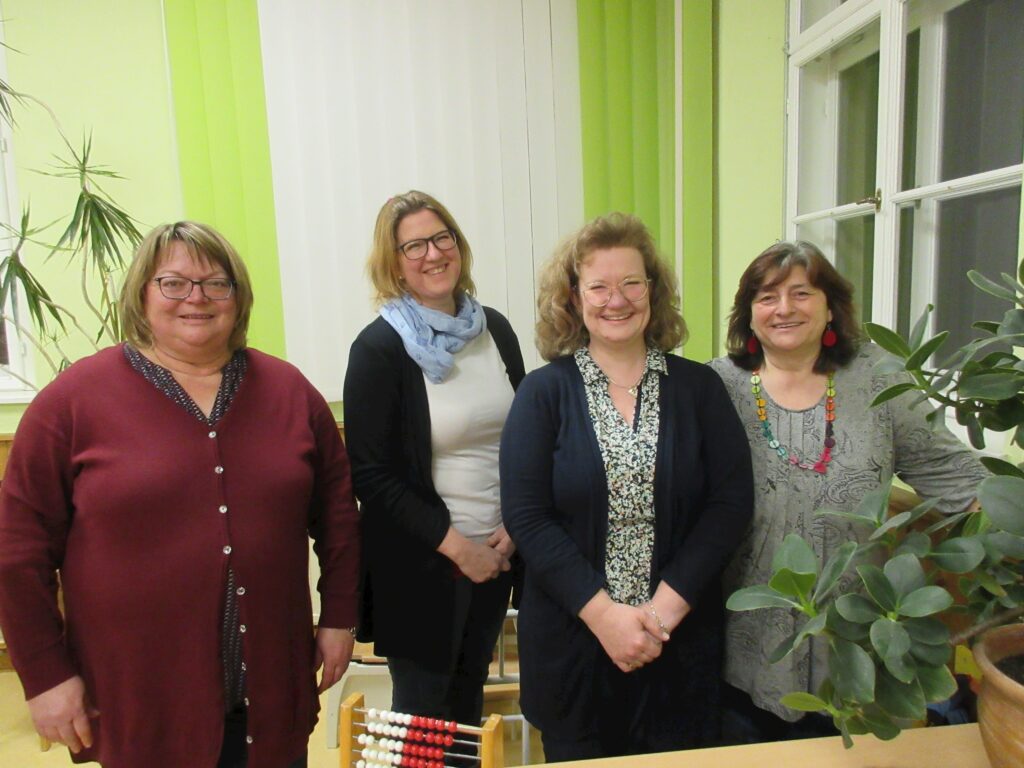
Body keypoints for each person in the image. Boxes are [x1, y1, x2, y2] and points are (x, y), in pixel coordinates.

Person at [0, 221, 360, 767]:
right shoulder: (70, 404)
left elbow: (338, 521)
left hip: (270, 692)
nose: (197, 298)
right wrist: (45, 675)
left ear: (238, 297)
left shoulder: (290, 393)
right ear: (142, 294)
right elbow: (16, 553)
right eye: (173, 283)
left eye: (217, 284)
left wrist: (338, 617)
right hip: (143, 703)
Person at [709, 240, 989, 743]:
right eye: (767, 296)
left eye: (802, 293)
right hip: (741, 645)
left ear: (831, 307)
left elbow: (947, 469)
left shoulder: (879, 378)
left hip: (857, 641)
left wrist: (1002, 517)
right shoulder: (715, 387)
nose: (784, 308)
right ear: (748, 314)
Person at [499, 212, 754, 761]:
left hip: (680, 648)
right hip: (572, 651)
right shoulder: (542, 394)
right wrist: (606, 618)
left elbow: (729, 505)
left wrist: (657, 617)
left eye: (631, 283)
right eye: (598, 286)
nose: (616, 300)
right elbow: (527, 516)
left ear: (653, 292)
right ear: (574, 297)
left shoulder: (700, 389)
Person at [343, 191, 525, 729]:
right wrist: (460, 550)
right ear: (394, 263)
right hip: (422, 567)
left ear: (458, 246)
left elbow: (524, 437)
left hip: (497, 555)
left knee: (468, 709)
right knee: (425, 719)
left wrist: (514, 527)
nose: (433, 254)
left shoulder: (494, 329)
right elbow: (371, 477)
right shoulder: (379, 350)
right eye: (414, 245)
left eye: (442, 238)